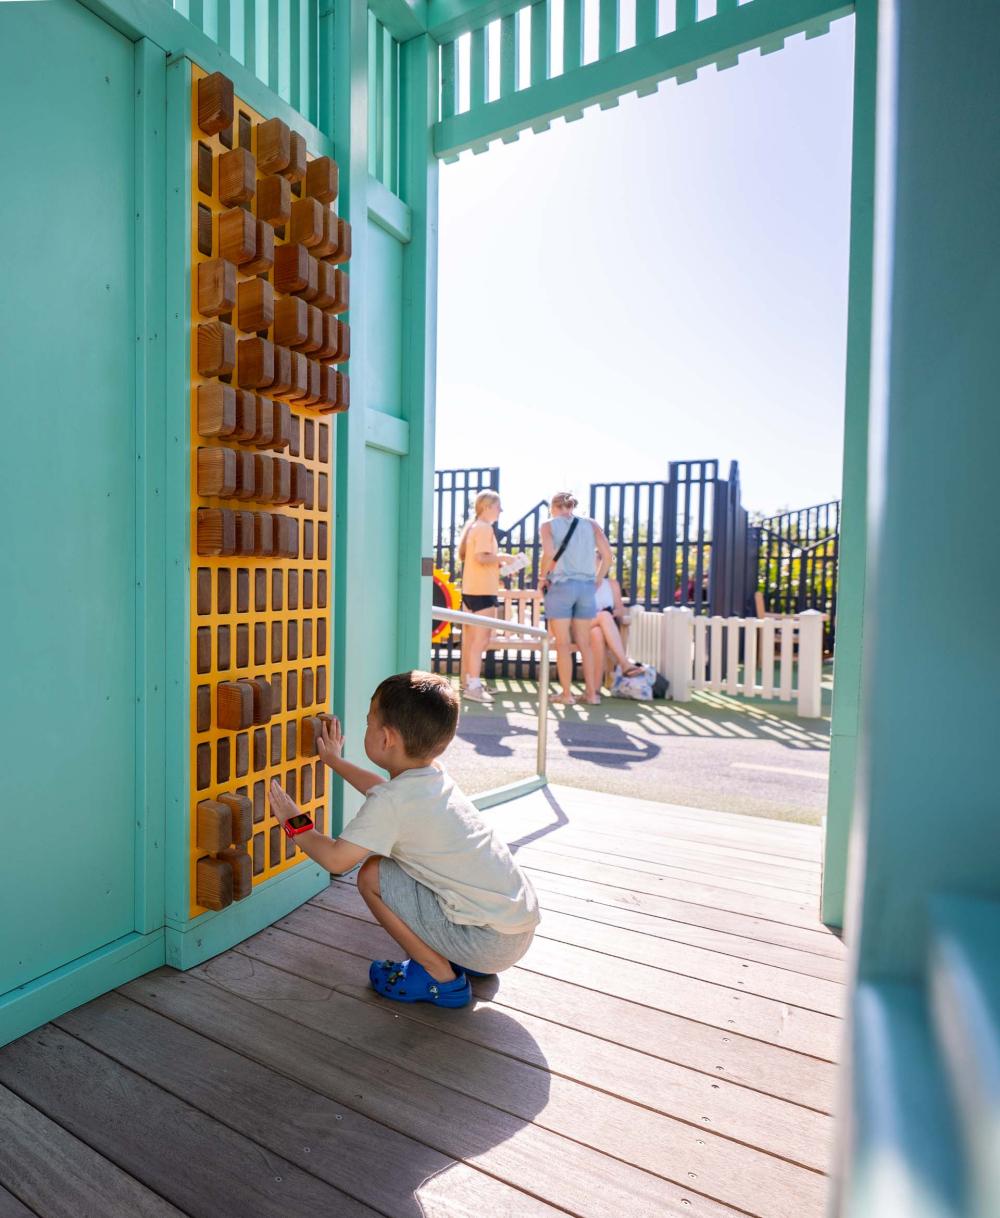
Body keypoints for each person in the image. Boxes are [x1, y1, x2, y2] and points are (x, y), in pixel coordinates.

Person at [267, 671, 540, 1010]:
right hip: (513, 931)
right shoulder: (432, 777)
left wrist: (293, 822)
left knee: (371, 875)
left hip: (486, 942)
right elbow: (382, 791)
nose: (365, 728)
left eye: (369, 723)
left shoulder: (394, 804)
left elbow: (337, 860)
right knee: (397, 867)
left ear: (387, 739)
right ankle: (459, 957)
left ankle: (438, 975)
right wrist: (335, 762)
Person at [537, 491, 613, 706]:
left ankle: (567, 694)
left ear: (553, 506)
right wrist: (597, 579)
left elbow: (550, 553)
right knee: (584, 643)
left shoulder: (548, 525)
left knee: (562, 644)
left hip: (561, 587)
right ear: (572, 506)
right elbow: (608, 556)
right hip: (586, 588)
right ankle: (591, 694)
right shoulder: (591, 525)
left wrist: (543, 577)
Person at [456, 490, 514, 704]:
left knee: (472, 641)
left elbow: (478, 559)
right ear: (488, 507)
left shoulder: (474, 528)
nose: (501, 511)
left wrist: (498, 563)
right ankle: (473, 686)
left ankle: (470, 682)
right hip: (482, 592)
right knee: (480, 641)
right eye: (498, 506)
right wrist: (505, 558)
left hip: (472, 590)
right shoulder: (484, 528)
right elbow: (481, 557)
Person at [592, 575, 645, 684]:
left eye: (599, 558)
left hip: (602, 628)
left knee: (597, 632)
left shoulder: (612, 584)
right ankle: (624, 663)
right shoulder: (579, 581)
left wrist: (612, 613)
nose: (597, 561)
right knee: (604, 616)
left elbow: (620, 610)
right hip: (583, 624)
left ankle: (594, 691)